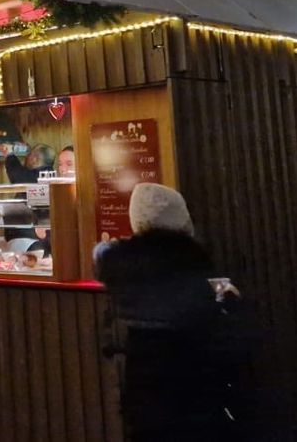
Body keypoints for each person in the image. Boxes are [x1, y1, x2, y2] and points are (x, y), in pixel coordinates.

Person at [95, 182, 245, 441]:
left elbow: (100, 253)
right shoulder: (194, 258)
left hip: (142, 380)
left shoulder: (119, 263)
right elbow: (216, 301)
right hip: (194, 379)